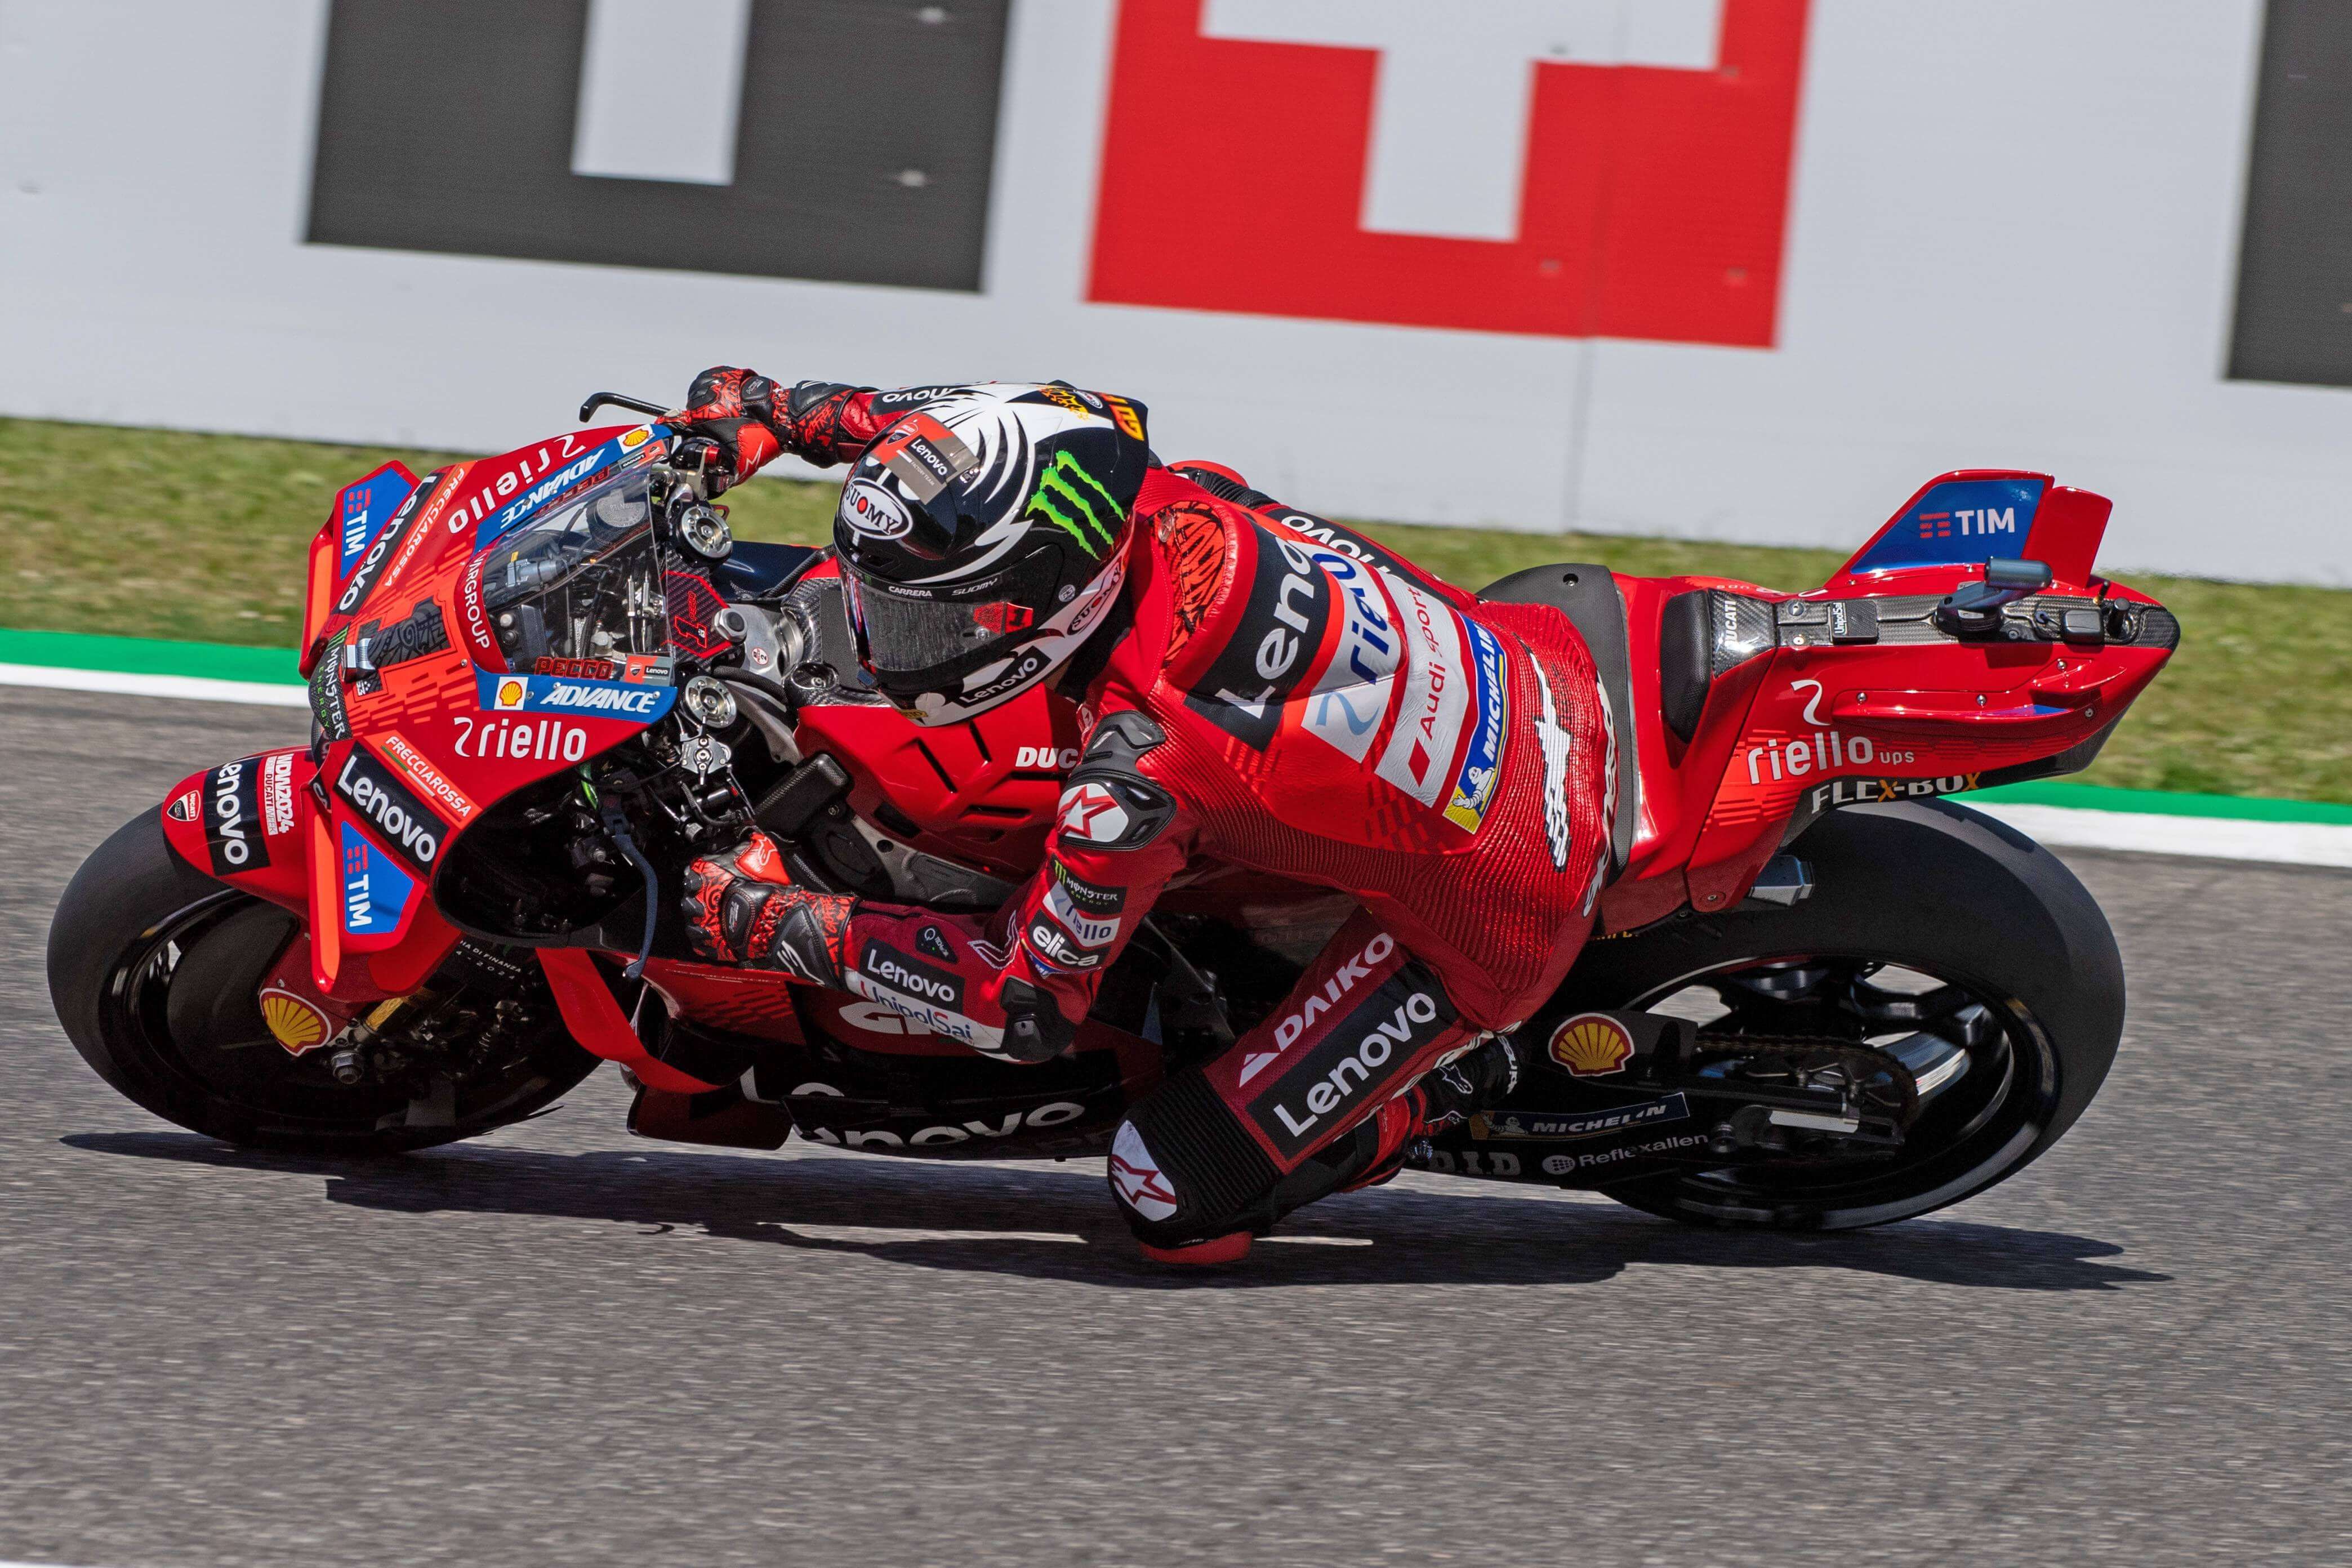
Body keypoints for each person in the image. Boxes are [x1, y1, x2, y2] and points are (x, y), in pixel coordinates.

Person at [672, 368, 1613, 1264]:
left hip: (1506, 900)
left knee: (1167, 1195)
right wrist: (769, 411)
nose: (886, 649)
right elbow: (919, 430)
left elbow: (1021, 1004)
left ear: (1045, 598)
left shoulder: (1136, 776)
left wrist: (769, 921)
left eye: (928, 624)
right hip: (1538, 667)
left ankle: (1445, 1090)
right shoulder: (1128, 482)